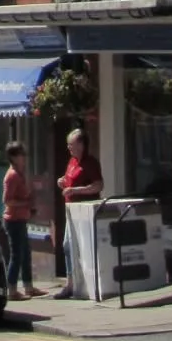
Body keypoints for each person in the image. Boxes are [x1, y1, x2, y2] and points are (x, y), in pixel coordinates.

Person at [54, 127, 103, 298]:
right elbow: (69, 180)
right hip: (70, 210)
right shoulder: (72, 162)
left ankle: (89, 283)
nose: (69, 147)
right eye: (68, 144)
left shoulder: (90, 163)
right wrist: (63, 182)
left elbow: (98, 186)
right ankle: (71, 283)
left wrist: (76, 190)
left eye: (71, 144)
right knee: (68, 246)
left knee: (85, 247)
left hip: (85, 212)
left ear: (81, 144)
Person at [1, 141, 35, 300]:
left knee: (26, 254)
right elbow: (7, 200)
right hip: (13, 220)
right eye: (21, 154)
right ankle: (12, 289)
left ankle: (29, 286)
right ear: (13, 157)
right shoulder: (12, 175)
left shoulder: (19, 173)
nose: (24, 157)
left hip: (21, 218)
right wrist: (25, 203)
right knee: (16, 255)